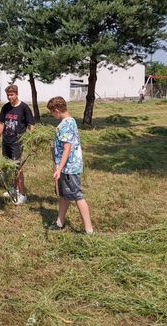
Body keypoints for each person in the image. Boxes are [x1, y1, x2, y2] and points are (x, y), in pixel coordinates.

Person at [46, 96, 93, 234]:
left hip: (69, 167)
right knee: (64, 195)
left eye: (51, 112)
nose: (51, 115)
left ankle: (89, 230)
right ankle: (59, 222)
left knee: (77, 196)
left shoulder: (65, 125)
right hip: (68, 165)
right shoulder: (70, 120)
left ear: (56, 110)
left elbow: (67, 148)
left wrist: (59, 169)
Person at [0, 84, 34, 204]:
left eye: (12, 95)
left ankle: (22, 193)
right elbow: (1, 124)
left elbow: (31, 125)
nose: (10, 97)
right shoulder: (5, 107)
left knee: (17, 168)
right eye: (8, 95)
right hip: (6, 141)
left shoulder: (24, 108)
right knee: (7, 166)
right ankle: (12, 188)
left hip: (17, 142)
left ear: (16, 94)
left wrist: (31, 141)